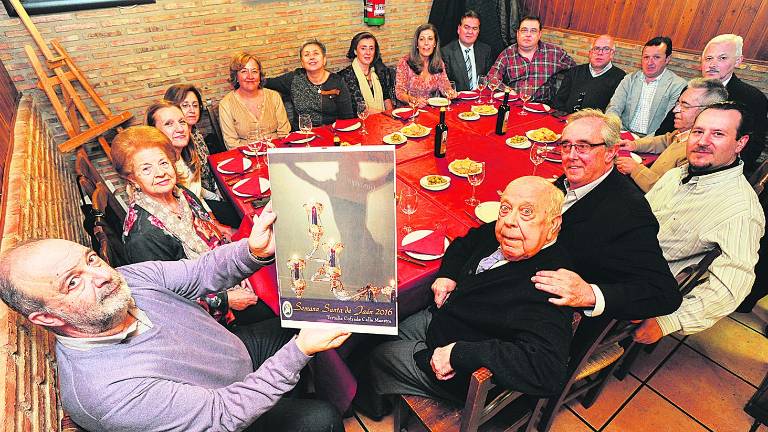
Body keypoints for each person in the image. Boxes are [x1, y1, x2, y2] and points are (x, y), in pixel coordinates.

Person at [0, 203, 351, 432]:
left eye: (91, 260)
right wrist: (298, 352)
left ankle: (294, 389)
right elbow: (222, 414)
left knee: (294, 320)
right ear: (46, 318)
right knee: (322, 420)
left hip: (231, 354)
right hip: (224, 412)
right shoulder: (106, 392)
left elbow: (200, 272)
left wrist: (252, 251)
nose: (102, 275)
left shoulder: (128, 279)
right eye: (73, 282)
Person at [361, 177, 575, 412]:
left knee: (377, 355)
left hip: (457, 371)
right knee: (386, 330)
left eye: (526, 212)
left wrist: (459, 353)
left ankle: (374, 407)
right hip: (447, 318)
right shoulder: (506, 233)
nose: (509, 221)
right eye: (505, 208)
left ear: (553, 225)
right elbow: (465, 243)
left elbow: (548, 370)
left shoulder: (549, 283)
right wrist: (448, 274)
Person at [114, 125, 273, 326]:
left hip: (226, 270)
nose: (161, 173)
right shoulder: (144, 236)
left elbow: (213, 232)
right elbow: (165, 301)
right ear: (131, 178)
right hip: (212, 314)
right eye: (146, 168)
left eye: (163, 163)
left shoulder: (180, 193)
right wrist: (226, 301)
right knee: (283, 313)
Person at [633, 102, 765, 344]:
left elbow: (732, 287)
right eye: (698, 131)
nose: (702, 141)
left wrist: (669, 321)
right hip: (619, 254)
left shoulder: (740, 210)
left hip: (635, 284)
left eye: (718, 134)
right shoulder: (677, 174)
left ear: (740, 143)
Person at [530, 109, 681, 320]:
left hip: (548, 310)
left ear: (611, 152)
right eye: (566, 145)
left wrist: (590, 294)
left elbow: (664, 293)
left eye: (583, 146)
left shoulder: (629, 214)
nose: (571, 155)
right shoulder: (574, 179)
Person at [656, 34, 768, 174]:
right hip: (671, 162)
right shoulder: (692, 88)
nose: (712, 64)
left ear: (738, 61)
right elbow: (667, 127)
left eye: (722, 58)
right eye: (709, 58)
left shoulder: (753, 98)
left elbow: (753, 148)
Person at [616, 78, 728, 192]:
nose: (675, 110)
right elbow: (665, 140)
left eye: (685, 106)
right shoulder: (685, 133)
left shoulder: (699, 152)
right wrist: (634, 144)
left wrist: (636, 169)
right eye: (678, 103)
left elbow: (669, 193)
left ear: (707, 112)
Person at [146, 100, 240, 228]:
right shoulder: (162, 172)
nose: (180, 129)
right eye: (169, 124)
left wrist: (215, 222)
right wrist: (217, 228)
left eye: (182, 122)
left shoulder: (185, 155)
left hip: (204, 215)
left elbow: (196, 197)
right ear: (153, 132)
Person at [605, 36, 687, 137]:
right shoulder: (629, 79)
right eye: (646, 57)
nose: (649, 62)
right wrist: (617, 132)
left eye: (656, 57)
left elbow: (668, 125)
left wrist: (641, 143)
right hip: (623, 134)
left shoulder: (677, 85)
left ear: (667, 59)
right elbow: (613, 108)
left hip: (654, 140)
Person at [264, 40, 354, 127]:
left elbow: (347, 118)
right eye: (306, 55)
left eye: (316, 53)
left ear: (324, 60)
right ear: (302, 62)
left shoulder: (337, 82)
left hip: (330, 134)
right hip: (301, 135)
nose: (311, 57)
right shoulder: (294, 78)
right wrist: (252, 76)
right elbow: (266, 82)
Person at [486, 15, 576, 103]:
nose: (528, 35)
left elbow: (577, 72)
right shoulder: (507, 54)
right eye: (524, 30)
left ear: (539, 34)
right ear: (518, 33)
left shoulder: (555, 53)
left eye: (533, 31)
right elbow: (491, 78)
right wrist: (507, 91)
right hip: (515, 105)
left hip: (543, 108)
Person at [218, 52, 291, 149]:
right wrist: (257, 151)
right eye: (244, 71)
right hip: (246, 157)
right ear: (236, 77)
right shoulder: (226, 104)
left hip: (276, 151)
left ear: (260, 76)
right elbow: (232, 144)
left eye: (254, 71)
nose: (250, 76)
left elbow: (284, 132)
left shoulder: (274, 96)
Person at [551, 34, 626, 113]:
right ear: (590, 53)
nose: (600, 53)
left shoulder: (620, 78)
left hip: (596, 124)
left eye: (606, 49)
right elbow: (558, 102)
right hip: (566, 120)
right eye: (596, 48)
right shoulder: (574, 72)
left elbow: (614, 112)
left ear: (612, 54)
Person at [395, 23, 456, 107]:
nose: (426, 43)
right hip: (411, 111)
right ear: (416, 44)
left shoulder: (439, 62)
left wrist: (451, 92)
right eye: (422, 39)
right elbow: (399, 92)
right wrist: (414, 100)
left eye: (430, 39)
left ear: (435, 43)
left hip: (433, 110)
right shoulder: (404, 62)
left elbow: (445, 85)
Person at [337, 32, 395, 115]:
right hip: (358, 122)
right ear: (355, 51)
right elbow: (360, 107)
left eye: (371, 48)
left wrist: (391, 115)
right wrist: (384, 115)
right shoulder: (345, 76)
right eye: (363, 48)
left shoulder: (379, 70)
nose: (368, 52)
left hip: (383, 119)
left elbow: (386, 97)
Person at [164, 83, 225, 153]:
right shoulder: (177, 139)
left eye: (195, 105)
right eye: (185, 105)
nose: (192, 110)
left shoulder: (194, 131)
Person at [441, 10, 493, 92]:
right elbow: (445, 85)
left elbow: (490, 80)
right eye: (466, 27)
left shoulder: (485, 50)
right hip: (458, 100)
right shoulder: (446, 52)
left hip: (480, 100)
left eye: (474, 28)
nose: (470, 32)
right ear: (459, 29)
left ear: (478, 31)